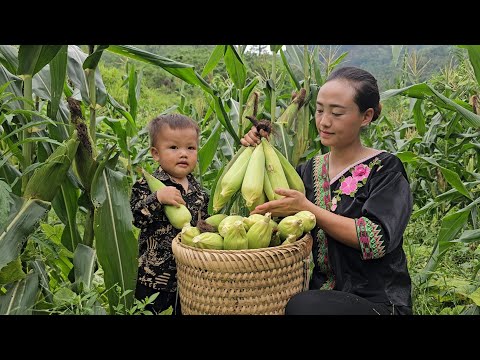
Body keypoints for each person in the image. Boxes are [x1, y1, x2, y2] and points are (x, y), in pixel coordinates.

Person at [241, 66, 413, 315]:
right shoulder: (308, 171)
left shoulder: (385, 169)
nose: (324, 121)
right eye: (320, 110)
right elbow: (269, 216)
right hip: (322, 294)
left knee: (303, 306)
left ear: (366, 116)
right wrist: (254, 151)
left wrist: (307, 208)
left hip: (378, 301)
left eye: (337, 113)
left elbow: (376, 240)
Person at [130, 113, 209, 315]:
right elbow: (136, 217)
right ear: (156, 154)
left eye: (190, 148)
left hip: (189, 278)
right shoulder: (145, 186)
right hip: (154, 278)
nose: (184, 154)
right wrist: (157, 198)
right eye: (174, 148)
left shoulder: (198, 191)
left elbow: (203, 224)